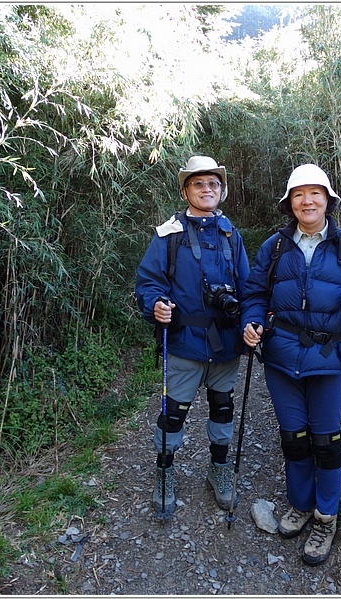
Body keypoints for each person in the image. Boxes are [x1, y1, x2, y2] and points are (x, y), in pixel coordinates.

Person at [240, 163, 341, 565]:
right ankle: (300, 506)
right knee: (294, 439)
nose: (307, 200)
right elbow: (254, 294)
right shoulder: (275, 247)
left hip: (328, 358)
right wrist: (251, 323)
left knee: (326, 441)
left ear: (328, 201)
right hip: (282, 357)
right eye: (299, 194)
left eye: (315, 193)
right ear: (290, 203)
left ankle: (325, 516)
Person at [135, 156, 250, 520]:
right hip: (184, 341)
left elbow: (249, 288)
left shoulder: (232, 235)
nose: (207, 190)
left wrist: (251, 324)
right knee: (174, 415)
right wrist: (155, 305)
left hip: (227, 344)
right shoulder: (168, 236)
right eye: (199, 184)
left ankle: (218, 470)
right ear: (186, 190)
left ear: (222, 190)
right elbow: (148, 282)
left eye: (213, 184)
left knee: (223, 409)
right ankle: (164, 473)